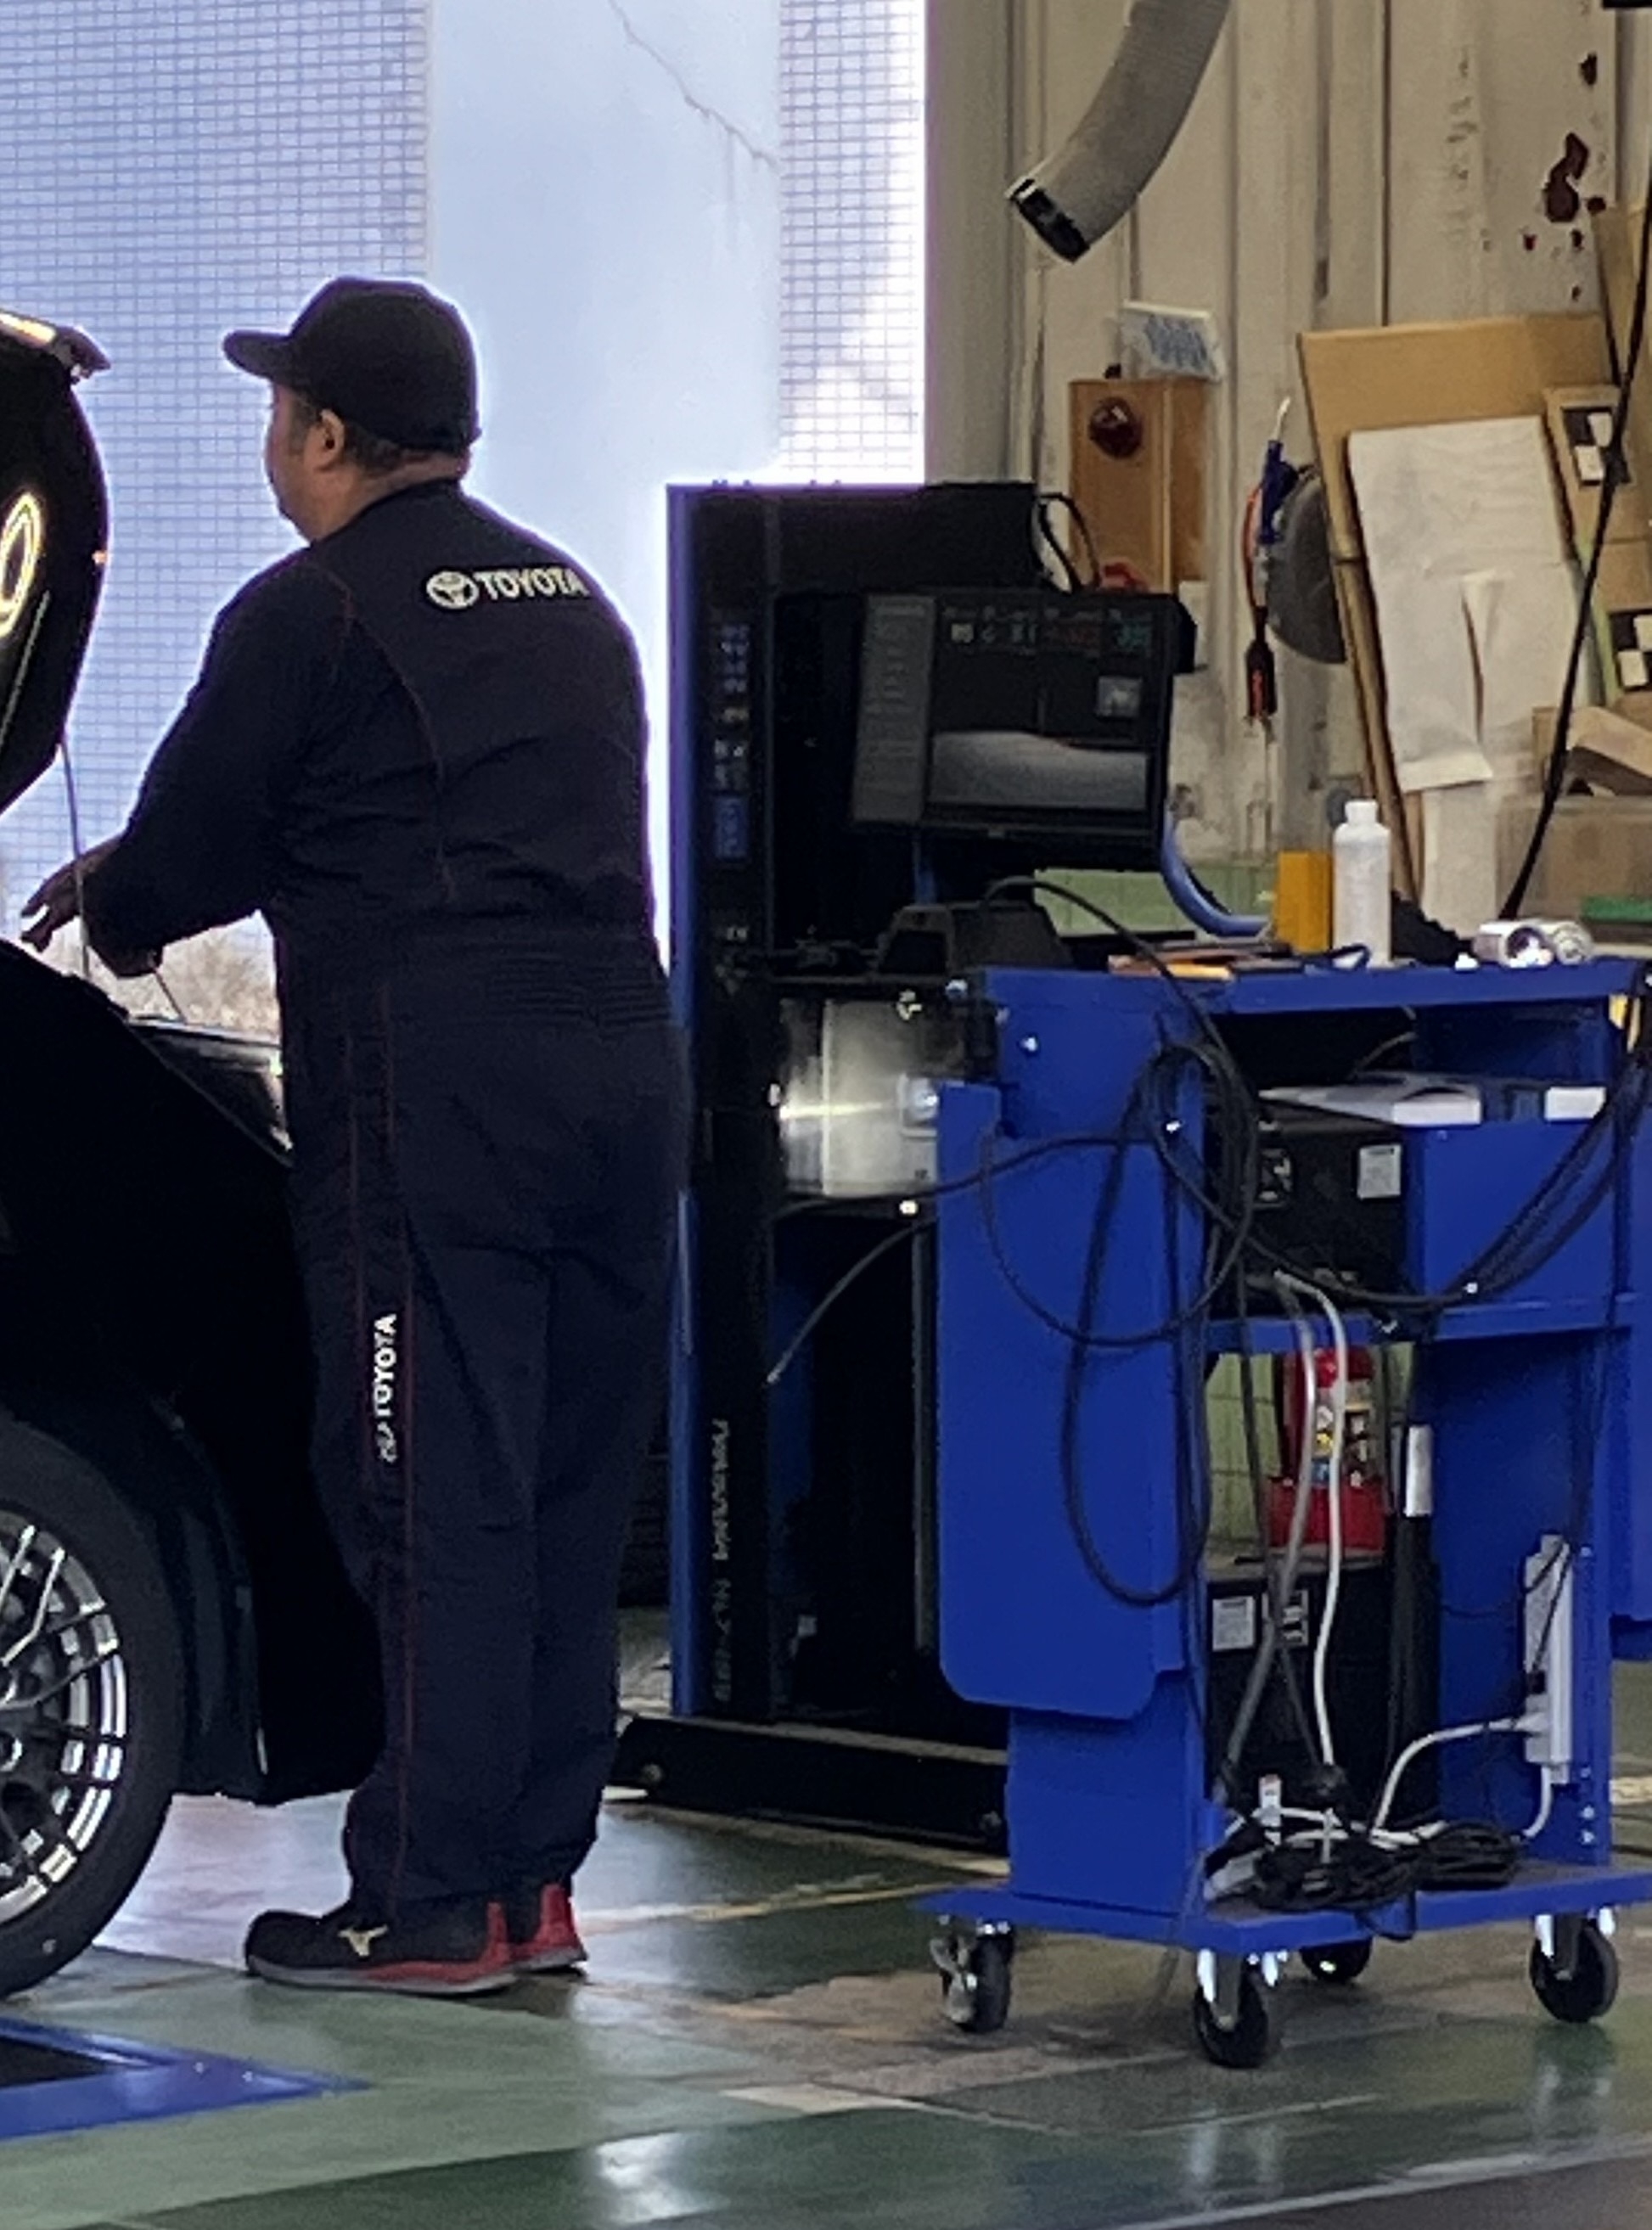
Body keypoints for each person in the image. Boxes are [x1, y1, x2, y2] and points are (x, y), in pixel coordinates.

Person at [24, 278, 687, 1997]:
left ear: (324, 434)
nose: (271, 442)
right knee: (562, 1494)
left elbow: (193, 851)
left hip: (437, 1093)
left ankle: (423, 1900)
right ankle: (531, 1889)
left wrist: (115, 907)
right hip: (623, 1075)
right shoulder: (573, 603)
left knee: (427, 1490)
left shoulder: (306, 612)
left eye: (277, 413)